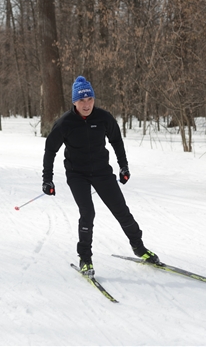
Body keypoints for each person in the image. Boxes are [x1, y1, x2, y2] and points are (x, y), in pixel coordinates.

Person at [42, 76, 160, 277]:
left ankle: (139, 248)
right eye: (81, 101)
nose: (86, 105)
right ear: (74, 102)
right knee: (87, 213)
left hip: (101, 171)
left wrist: (123, 167)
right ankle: (85, 259)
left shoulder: (104, 118)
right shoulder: (64, 123)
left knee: (122, 211)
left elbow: (116, 141)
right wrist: (47, 179)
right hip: (76, 174)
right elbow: (50, 150)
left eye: (89, 100)